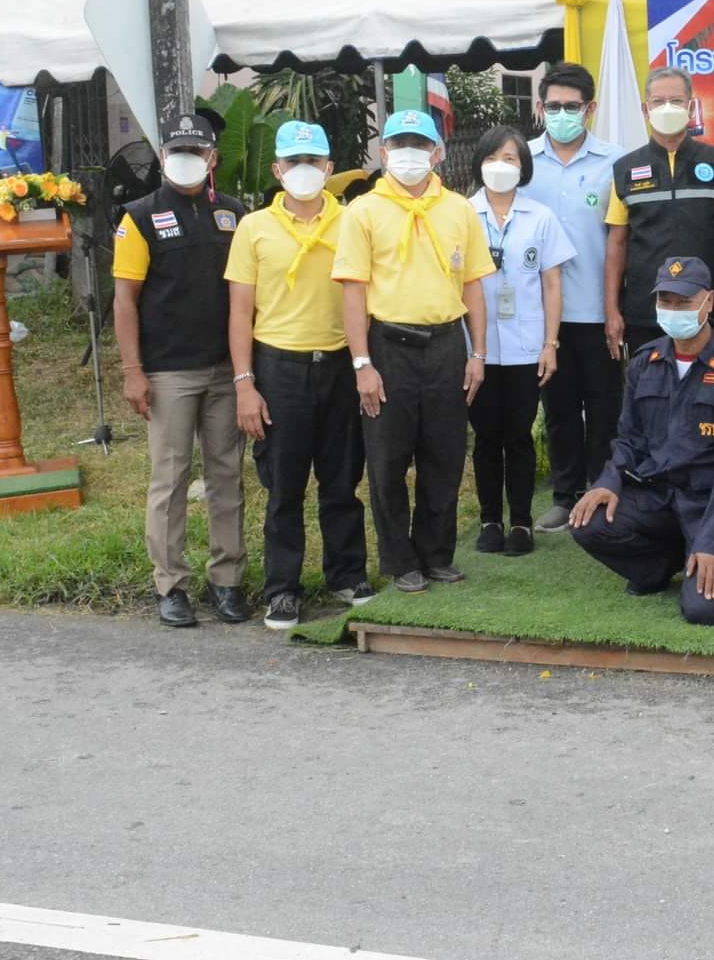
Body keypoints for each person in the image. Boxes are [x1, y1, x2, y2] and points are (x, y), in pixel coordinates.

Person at [332, 109, 495, 593]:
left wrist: (478, 353)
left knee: (444, 453)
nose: (409, 155)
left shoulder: (459, 209)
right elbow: (354, 291)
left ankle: (436, 552)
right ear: (383, 153)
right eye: (399, 145)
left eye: (419, 145)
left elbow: (473, 286)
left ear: (437, 153)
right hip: (388, 346)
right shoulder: (363, 211)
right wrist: (362, 364)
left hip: (446, 344)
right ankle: (400, 560)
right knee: (387, 458)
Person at [225, 120, 372, 631]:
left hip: (337, 362)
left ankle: (346, 573)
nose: (304, 172)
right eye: (294, 163)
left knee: (342, 479)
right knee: (284, 485)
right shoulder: (254, 227)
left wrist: (363, 364)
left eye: (314, 162)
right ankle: (282, 589)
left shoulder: (353, 220)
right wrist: (245, 383)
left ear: (329, 168)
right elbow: (240, 311)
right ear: (277, 169)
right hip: (279, 366)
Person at [571, 256, 714, 625]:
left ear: (708, 302)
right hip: (659, 497)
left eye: (684, 302)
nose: (673, 310)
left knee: (702, 611)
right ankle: (661, 567)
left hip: (709, 505)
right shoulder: (645, 362)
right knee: (589, 521)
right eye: (666, 301)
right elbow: (629, 439)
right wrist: (608, 482)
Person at [112, 113, 249, 629]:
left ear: (212, 159)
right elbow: (125, 300)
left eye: (198, 150)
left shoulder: (234, 215)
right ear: (163, 157)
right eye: (178, 150)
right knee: (169, 479)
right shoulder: (139, 217)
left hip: (224, 370)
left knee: (226, 475)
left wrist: (245, 372)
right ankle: (170, 584)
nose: (188, 159)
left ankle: (227, 579)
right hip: (168, 372)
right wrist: (132, 370)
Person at [469, 125, 576, 558]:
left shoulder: (540, 216)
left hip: (525, 345)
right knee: (485, 435)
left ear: (523, 166)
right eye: (493, 157)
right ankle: (489, 519)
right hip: (475, 349)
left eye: (510, 159)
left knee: (518, 435)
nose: (501, 166)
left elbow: (552, 284)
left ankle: (520, 523)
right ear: (479, 163)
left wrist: (550, 343)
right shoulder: (462, 214)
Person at [524, 62, 622, 535]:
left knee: (605, 408)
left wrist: (615, 311)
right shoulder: (520, 163)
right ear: (541, 108)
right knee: (559, 412)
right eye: (554, 106)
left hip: (600, 311)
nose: (563, 114)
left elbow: (621, 241)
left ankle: (603, 491)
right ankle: (565, 497)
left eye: (573, 107)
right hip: (545, 320)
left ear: (591, 109)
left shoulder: (616, 162)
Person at [605, 67, 714, 357]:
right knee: (650, 395)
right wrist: (612, 310)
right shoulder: (625, 170)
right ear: (645, 109)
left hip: (707, 309)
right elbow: (617, 243)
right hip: (646, 312)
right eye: (658, 102)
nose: (667, 108)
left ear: (691, 106)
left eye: (676, 101)